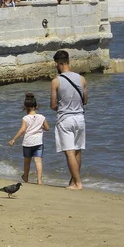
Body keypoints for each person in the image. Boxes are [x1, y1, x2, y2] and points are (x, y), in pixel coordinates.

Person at [50, 50, 88, 190]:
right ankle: (73, 181)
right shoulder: (81, 79)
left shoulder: (56, 81)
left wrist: (63, 107)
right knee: (78, 151)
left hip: (65, 119)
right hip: (80, 118)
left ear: (58, 64)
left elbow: (53, 105)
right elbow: (85, 100)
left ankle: (78, 183)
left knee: (69, 152)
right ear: (68, 61)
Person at [8, 93, 50, 185]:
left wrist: (14, 139)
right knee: (38, 161)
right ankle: (39, 180)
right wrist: (41, 127)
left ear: (25, 107)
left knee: (27, 161)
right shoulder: (42, 117)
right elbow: (47, 128)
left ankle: (26, 177)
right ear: (36, 106)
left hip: (28, 143)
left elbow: (22, 130)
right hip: (38, 142)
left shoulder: (25, 118)